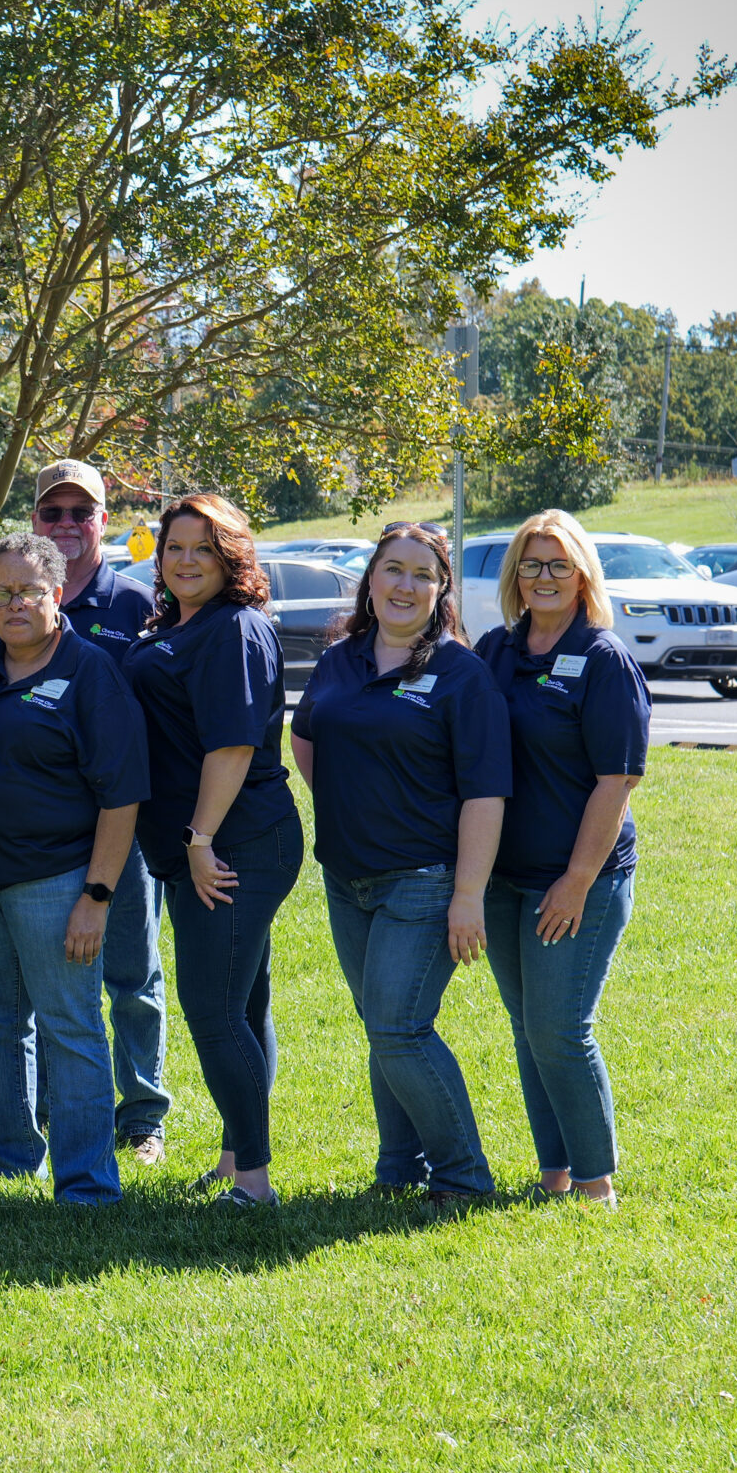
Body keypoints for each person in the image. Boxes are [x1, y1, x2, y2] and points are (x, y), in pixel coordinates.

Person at [291, 524, 510, 1206]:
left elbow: (485, 791)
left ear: (442, 589)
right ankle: (398, 1168)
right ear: (370, 579)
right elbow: (306, 741)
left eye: (422, 573)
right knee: (382, 1025)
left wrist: (467, 893)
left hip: (424, 878)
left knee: (397, 1025)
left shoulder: (460, 674)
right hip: (346, 877)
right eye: (393, 569)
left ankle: (464, 1177)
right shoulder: (340, 659)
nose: (405, 585)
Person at [0, 459, 169, 1163]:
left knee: (130, 972)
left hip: (122, 819)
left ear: (103, 521)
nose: (66, 523)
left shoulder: (137, 603)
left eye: (79, 512)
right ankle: (53, 1114)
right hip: (29, 838)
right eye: (51, 512)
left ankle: (142, 1116)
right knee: (50, 985)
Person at [0, 533, 148, 1206]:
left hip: (56, 882)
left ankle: (87, 1182)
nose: (14, 602)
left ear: (58, 595)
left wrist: (97, 894)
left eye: (29, 590)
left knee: (71, 1027)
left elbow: (122, 794)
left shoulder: (91, 674)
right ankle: (9, 1162)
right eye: (1, 592)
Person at [120, 493, 303, 1209]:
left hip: (236, 841)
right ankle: (234, 1158)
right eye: (175, 547)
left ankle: (254, 1182)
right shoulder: (177, 624)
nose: (186, 560)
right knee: (245, 1000)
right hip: (198, 843)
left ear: (233, 557)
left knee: (211, 1005)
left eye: (204, 547)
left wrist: (198, 841)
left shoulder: (234, 629)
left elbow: (230, 746)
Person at [474, 509, 650, 1209]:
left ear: (583, 576)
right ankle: (554, 1170)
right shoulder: (495, 650)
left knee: (559, 1026)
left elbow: (618, 780)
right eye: (531, 563)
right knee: (528, 1027)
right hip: (503, 878)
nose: (543, 576)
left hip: (580, 879)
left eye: (558, 564)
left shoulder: (604, 659)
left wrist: (577, 881)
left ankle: (596, 1181)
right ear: (515, 574)